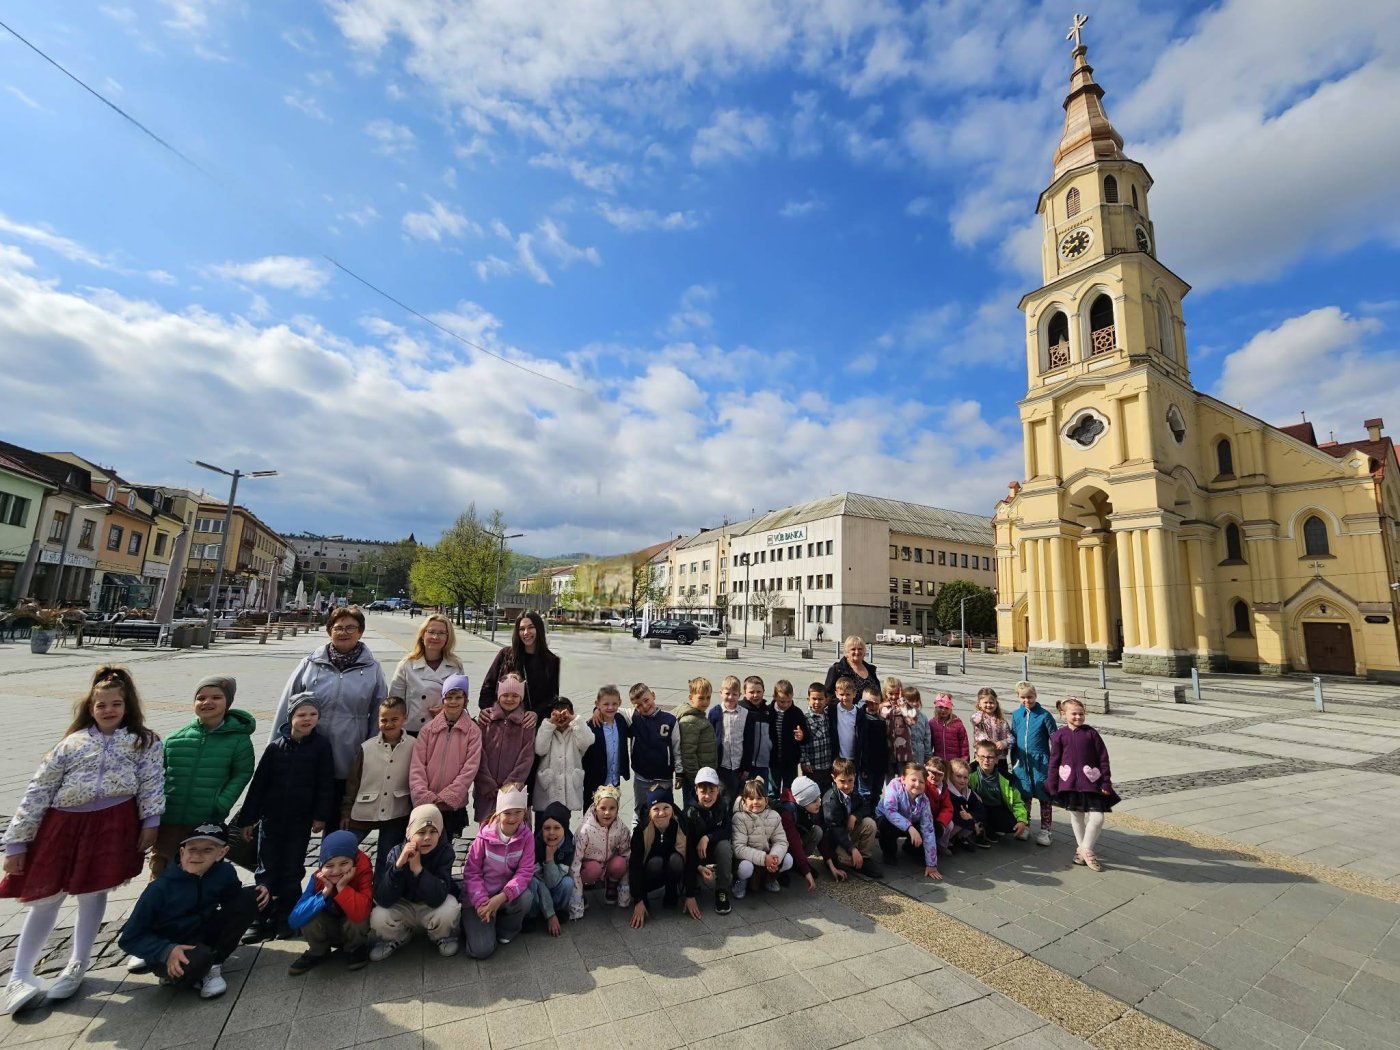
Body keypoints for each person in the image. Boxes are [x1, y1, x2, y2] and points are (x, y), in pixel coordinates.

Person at [1, 666, 164, 1014]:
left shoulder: (144, 741)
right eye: (101, 705)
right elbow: (38, 789)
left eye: (116, 704)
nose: (109, 710)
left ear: (127, 705)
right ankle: (20, 974)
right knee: (46, 898)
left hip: (112, 822)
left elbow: (152, 782)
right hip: (63, 824)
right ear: (91, 708)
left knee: (93, 893)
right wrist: (17, 842)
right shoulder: (71, 743)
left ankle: (78, 962)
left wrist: (151, 822)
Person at [236, 692, 337, 943]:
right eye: (301, 714)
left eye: (313, 714)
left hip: (300, 820)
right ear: (290, 717)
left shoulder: (321, 746)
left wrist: (321, 816)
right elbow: (258, 785)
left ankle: (288, 917)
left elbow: (325, 784)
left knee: (292, 869)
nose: (307, 719)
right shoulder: (275, 748)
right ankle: (260, 917)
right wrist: (248, 819)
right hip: (271, 819)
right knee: (266, 869)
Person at [119, 824, 263, 999]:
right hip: (171, 944)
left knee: (252, 896)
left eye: (207, 850)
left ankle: (213, 965)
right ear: (182, 852)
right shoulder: (159, 889)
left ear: (221, 853)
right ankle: (175, 974)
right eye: (192, 849)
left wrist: (259, 891)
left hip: (202, 932)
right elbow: (129, 938)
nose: (197, 855)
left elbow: (233, 901)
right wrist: (166, 950)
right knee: (198, 959)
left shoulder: (224, 872)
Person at [271, 605, 385, 800]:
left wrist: (373, 752)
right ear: (329, 631)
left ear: (360, 632)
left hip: (350, 749)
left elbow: (378, 713)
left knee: (338, 806)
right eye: (338, 628)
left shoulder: (372, 668)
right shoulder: (309, 664)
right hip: (307, 748)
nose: (343, 632)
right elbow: (287, 705)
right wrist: (275, 745)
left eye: (350, 628)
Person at [151, 675, 255, 878]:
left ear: (227, 702)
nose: (207, 702)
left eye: (216, 697)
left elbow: (242, 773)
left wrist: (222, 802)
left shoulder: (238, 740)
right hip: (169, 819)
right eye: (201, 698)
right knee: (161, 867)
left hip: (205, 820)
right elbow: (157, 775)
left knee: (199, 870)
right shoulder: (174, 739)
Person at [369, 803, 461, 961]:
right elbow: (383, 898)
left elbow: (438, 897)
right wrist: (398, 867)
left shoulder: (445, 852)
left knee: (450, 908)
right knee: (379, 916)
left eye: (433, 831)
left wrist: (419, 870)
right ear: (410, 833)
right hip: (403, 905)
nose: (427, 837)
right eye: (421, 832)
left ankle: (441, 936)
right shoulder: (396, 852)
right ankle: (398, 936)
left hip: (430, 906)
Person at [341, 697, 415, 881]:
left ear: (404, 718)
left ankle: (382, 890)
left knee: (386, 856)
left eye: (394, 719)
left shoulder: (414, 745)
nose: (388, 724)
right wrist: (346, 811)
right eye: (384, 720)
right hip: (364, 810)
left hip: (396, 811)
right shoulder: (366, 748)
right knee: (344, 849)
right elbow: (353, 781)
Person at [1046, 698, 1120, 871]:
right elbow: (1054, 762)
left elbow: (1103, 758)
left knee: (1097, 818)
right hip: (1069, 784)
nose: (1078, 717)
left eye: (1081, 714)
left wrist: (1106, 781)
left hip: (1092, 783)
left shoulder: (1091, 733)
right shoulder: (1059, 736)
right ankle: (1083, 853)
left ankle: (1084, 849)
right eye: (1074, 714)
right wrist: (1052, 783)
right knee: (1077, 816)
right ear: (1063, 714)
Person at [461, 783, 534, 958]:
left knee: (526, 897)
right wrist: (482, 901)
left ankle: (505, 928)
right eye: (507, 813)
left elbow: (525, 872)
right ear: (498, 813)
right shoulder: (483, 837)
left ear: (524, 812)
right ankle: (474, 925)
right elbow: (471, 872)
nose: (513, 818)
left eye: (518, 812)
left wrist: (502, 897)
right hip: (480, 898)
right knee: (482, 950)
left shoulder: (527, 837)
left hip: (505, 896)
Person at [287, 830, 374, 974]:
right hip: (328, 927)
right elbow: (294, 920)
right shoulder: (318, 879)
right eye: (329, 865)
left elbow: (361, 913)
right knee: (308, 914)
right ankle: (318, 951)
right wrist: (325, 892)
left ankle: (355, 948)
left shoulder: (363, 872)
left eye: (344, 863)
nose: (336, 871)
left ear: (354, 861)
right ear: (321, 866)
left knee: (359, 911)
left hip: (351, 928)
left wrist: (342, 888)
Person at [411, 674, 482, 840]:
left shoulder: (472, 731)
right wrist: (423, 793)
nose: (453, 702)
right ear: (443, 699)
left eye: (458, 697)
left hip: (451, 805)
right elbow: (417, 765)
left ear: (465, 700)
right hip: (427, 800)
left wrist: (450, 794)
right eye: (449, 697)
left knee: (446, 845)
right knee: (422, 842)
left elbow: (470, 768)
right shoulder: (428, 730)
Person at [628, 785, 699, 928]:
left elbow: (690, 859)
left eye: (666, 807)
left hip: (672, 867)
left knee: (676, 860)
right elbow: (634, 865)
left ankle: (671, 891)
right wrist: (638, 899)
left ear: (672, 809)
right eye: (656, 809)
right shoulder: (641, 831)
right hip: (650, 871)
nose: (661, 813)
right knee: (656, 861)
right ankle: (645, 895)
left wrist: (690, 895)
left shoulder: (682, 825)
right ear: (649, 812)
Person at [474, 675, 536, 824]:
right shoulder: (486, 720)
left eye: (515, 695)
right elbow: (478, 753)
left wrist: (510, 786)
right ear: (498, 695)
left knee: (513, 826)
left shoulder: (526, 723)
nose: (509, 699)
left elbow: (526, 758)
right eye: (505, 695)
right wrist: (486, 783)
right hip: (487, 791)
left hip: (512, 791)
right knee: (487, 827)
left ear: (521, 698)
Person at [388, 614, 464, 734]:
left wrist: (447, 709)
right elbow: (394, 703)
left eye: (441, 633)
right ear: (423, 635)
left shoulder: (455, 666)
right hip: (411, 732)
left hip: (444, 731)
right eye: (431, 632)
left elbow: (462, 701)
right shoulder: (407, 665)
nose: (435, 637)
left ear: (448, 637)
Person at [478, 612, 560, 718]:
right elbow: (488, 687)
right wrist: (489, 709)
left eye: (531, 627)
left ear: (539, 629)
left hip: (529, 724)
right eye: (521, 629)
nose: (526, 632)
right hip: (500, 721)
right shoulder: (505, 655)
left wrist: (536, 713)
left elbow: (552, 697)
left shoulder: (551, 661)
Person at [569, 786, 632, 917]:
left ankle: (612, 885)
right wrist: (576, 904)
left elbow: (626, 855)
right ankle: (582, 892)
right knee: (594, 869)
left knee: (620, 863)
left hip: (608, 864)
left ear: (617, 809)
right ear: (595, 808)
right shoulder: (585, 831)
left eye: (612, 808)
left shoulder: (621, 829)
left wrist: (624, 896)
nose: (607, 813)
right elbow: (575, 864)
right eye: (602, 808)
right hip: (588, 867)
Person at [1010, 681, 1058, 846]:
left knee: (1045, 796)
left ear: (1035, 696)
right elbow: (1013, 737)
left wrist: (1056, 761)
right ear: (1018, 697)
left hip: (1041, 762)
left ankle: (1046, 830)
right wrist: (1013, 760)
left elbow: (1055, 739)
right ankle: (1026, 825)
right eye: (1022, 697)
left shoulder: (1044, 715)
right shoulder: (1016, 715)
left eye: (1029, 697)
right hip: (1022, 762)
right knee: (1025, 795)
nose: (1026, 701)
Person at [876, 763, 941, 880]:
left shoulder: (924, 800)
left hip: (910, 822)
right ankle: (889, 852)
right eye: (913, 780)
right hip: (889, 820)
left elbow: (928, 829)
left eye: (921, 782)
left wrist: (932, 864)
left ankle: (911, 848)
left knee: (936, 828)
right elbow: (890, 811)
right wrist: (910, 828)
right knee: (886, 825)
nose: (917, 784)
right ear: (903, 779)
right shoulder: (894, 786)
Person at [681, 767, 734, 914]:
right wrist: (698, 867)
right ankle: (694, 880)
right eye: (703, 791)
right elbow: (686, 846)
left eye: (712, 791)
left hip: (712, 848)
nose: (707, 796)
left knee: (724, 846)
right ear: (696, 790)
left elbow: (727, 830)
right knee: (693, 883)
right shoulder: (689, 813)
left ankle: (722, 890)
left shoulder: (722, 806)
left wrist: (707, 837)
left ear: (718, 790)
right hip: (694, 854)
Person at [624, 682, 681, 817]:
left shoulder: (670, 720)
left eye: (646, 700)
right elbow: (612, 708)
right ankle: (637, 831)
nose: (644, 706)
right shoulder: (633, 717)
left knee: (664, 812)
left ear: (653, 695)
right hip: (642, 777)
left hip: (664, 778)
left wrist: (680, 772)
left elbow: (677, 747)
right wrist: (597, 710)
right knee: (640, 812)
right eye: (638, 705)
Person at [731, 778, 791, 898]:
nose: (755, 802)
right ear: (744, 800)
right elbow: (738, 848)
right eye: (751, 798)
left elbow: (781, 841)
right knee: (745, 868)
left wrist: (774, 858)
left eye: (759, 798)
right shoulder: (739, 817)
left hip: (767, 855)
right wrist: (764, 858)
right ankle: (741, 882)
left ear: (766, 800)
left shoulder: (774, 816)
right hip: (747, 858)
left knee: (788, 859)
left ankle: (769, 880)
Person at [534, 697, 592, 817]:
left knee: (563, 822)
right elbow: (540, 749)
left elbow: (587, 741)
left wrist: (575, 720)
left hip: (568, 789)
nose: (561, 719)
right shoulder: (546, 728)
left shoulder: (576, 729)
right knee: (542, 822)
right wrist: (550, 723)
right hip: (548, 786)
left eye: (565, 715)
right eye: (557, 716)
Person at [527, 803, 575, 936]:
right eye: (547, 828)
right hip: (539, 888)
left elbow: (552, 882)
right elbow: (540, 883)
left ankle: (559, 910)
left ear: (564, 829)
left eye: (557, 828)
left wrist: (549, 859)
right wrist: (550, 914)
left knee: (567, 883)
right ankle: (532, 915)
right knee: (531, 882)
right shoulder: (534, 844)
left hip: (553, 883)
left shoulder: (568, 846)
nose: (551, 833)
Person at [970, 742, 1030, 843]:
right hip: (978, 810)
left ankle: (990, 828)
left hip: (995, 808)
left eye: (990, 757)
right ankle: (980, 829)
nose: (986, 760)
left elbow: (1017, 802)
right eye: (982, 756)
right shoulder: (970, 775)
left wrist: (1022, 820)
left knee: (1012, 823)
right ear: (976, 756)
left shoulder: (1006, 778)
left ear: (997, 759)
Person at [708, 675, 754, 801]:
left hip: (738, 766)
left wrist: (746, 767)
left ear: (739, 695)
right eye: (727, 693)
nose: (730, 697)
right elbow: (710, 740)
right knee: (721, 797)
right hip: (720, 765)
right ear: (721, 693)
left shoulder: (745, 714)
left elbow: (749, 742)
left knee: (735, 798)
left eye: (734, 694)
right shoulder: (714, 713)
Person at [582, 684, 630, 806]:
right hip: (595, 783)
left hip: (614, 782)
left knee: (612, 812)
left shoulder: (620, 720)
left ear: (619, 703)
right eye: (606, 704)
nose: (610, 707)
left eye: (614, 704)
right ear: (597, 704)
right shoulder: (591, 726)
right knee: (592, 813)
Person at [774, 776, 824, 890]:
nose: (819, 803)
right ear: (804, 801)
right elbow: (794, 842)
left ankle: (798, 864)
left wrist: (831, 864)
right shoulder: (788, 812)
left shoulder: (807, 807)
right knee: (793, 848)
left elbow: (822, 838)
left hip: (795, 840)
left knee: (817, 831)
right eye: (814, 801)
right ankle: (781, 870)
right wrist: (807, 872)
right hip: (780, 846)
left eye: (819, 798)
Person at [676, 678, 718, 809]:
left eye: (708, 697)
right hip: (696, 779)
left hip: (704, 776)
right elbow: (688, 753)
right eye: (701, 698)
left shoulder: (698, 716)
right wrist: (696, 779)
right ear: (691, 697)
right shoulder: (690, 721)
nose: (705, 702)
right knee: (693, 811)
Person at [769, 679, 809, 795]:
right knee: (772, 791)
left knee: (790, 791)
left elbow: (807, 735)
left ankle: (788, 806)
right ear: (774, 697)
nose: (786, 705)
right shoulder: (769, 711)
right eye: (782, 701)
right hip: (772, 760)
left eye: (789, 701)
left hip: (790, 761)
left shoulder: (796, 713)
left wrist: (802, 736)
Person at [799, 681, 835, 795]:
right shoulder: (805, 719)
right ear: (808, 699)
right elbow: (801, 744)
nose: (817, 702)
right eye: (814, 699)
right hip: (813, 767)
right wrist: (805, 762)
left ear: (826, 700)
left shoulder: (829, 716)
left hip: (828, 766)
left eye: (820, 699)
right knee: (813, 795)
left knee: (827, 795)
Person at [857, 684, 891, 803]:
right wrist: (863, 703)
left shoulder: (882, 719)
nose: (873, 706)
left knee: (876, 794)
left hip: (879, 765)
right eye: (870, 703)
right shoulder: (861, 718)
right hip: (865, 765)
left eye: (877, 703)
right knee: (865, 794)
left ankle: (874, 813)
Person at [739, 676, 772, 788]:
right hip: (744, 765)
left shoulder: (768, 711)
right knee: (743, 794)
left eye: (759, 692)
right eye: (751, 692)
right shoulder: (740, 709)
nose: (755, 695)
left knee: (762, 794)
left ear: (764, 691)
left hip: (763, 764)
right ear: (744, 692)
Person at [946, 760, 987, 850]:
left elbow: (980, 809)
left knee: (977, 818)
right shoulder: (947, 792)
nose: (962, 780)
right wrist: (971, 821)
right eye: (958, 776)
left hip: (963, 820)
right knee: (954, 824)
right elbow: (951, 813)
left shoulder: (968, 792)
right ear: (950, 775)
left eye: (965, 777)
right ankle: (947, 841)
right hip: (951, 822)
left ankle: (960, 838)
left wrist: (971, 816)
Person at [971, 687, 1012, 776]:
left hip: (999, 759)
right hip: (983, 757)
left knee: (1001, 781)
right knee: (980, 779)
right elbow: (974, 720)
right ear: (979, 704)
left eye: (991, 702)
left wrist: (1004, 743)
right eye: (985, 702)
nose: (989, 705)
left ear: (996, 704)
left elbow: (1011, 739)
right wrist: (981, 712)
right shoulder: (978, 717)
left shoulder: (1002, 721)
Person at [823, 635, 878, 701]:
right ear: (847, 652)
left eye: (860, 649)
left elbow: (878, 692)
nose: (857, 652)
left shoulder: (871, 669)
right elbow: (828, 695)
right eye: (853, 649)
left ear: (864, 651)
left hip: (872, 707)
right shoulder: (837, 670)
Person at [879, 675, 912, 775]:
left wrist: (902, 704)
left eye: (897, 693)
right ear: (885, 692)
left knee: (903, 777)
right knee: (889, 778)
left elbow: (911, 721)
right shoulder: (882, 707)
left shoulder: (905, 706)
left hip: (903, 752)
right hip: (888, 750)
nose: (894, 697)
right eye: (891, 693)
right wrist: (881, 706)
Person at [922, 757, 955, 853]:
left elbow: (947, 808)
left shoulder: (944, 788)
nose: (935, 776)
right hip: (923, 817)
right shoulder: (924, 783)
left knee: (949, 824)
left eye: (939, 774)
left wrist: (941, 822)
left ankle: (941, 845)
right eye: (932, 772)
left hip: (936, 818)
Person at [929, 693, 971, 765]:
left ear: (950, 709)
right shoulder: (932, 723)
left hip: (955, 763)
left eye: (946, 708)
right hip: (939, 763)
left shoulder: (957, 724)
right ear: (936, 707)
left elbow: (964, 745)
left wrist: (964, 760)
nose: (943, 710)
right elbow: (929, 744)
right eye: (940, 707)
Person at [901, 686, 931, 766]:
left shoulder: (923, 717)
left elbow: (927, 738)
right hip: (906, 756)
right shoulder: (901, 716)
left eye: (916, 700)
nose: (914, 703)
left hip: (920, 755)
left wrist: (928, 755)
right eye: (911, 701)